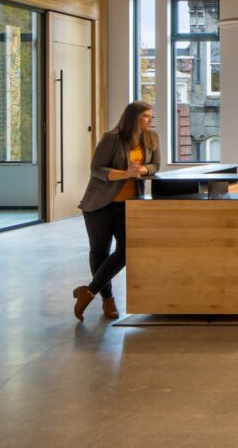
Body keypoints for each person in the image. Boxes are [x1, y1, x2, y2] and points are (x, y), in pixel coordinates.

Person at [72, 101, 159, 321]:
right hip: (100, 203)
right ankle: (108, 300)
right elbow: (96, 169)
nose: (150, 119)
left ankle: (89, 291)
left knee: (126, 250)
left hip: (129, 204)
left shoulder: (151, 138)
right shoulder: (112, 138)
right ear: (134, 118)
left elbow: (156, 166)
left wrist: (143, 169)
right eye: (146, 116)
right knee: (100, 251)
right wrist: (125, 173)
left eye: (150, 116)